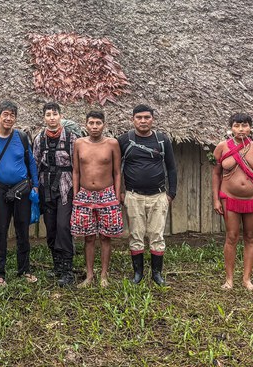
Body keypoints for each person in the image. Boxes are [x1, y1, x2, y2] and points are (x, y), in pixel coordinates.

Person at [118, 104, 178, 286]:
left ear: (152, 119)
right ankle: (138, 274)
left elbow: (171, 167)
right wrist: (120, 192)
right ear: (133, 119)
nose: (143, 121)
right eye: (139, 118)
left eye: (147, 117)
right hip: (134, 196)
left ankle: (157, 274)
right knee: (136, 234)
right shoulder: (124, 140)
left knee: (156, 234)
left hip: (158, 196)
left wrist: (171, 193)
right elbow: (115, 168)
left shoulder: (162, 140)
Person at [0, 100, 39, 286]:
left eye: (12, 115)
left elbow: (30, 162)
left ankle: (24, 270)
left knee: (23, 230)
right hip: (0, 189)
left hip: (21, 188)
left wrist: (35, 185)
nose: (8, 118)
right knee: (1, 230)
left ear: (15, 119)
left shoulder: (21, 137)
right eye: (5, 114)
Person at [212, 113, 253, 291]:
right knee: (231, 237)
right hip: (230, 198)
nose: (241, 129)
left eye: (244, 125)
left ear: (250, 128)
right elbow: (216, 174)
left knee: (250, 237)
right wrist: (216, 199)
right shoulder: (222, 147)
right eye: (237, 126)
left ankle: (247, 280)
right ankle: (229, 280)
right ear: (231, 128)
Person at [70, 110, 123, 288]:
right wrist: (77, 194)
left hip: (106, 194)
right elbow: (76, 171)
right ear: (86, 125)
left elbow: (117, 172)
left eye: (98, 123)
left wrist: (116, 195)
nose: (94, 127)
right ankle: (89, 275)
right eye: (91, 123)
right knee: (89, 237)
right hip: (84, 194)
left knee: (106, 237)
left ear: (104, 125)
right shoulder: (79, 143)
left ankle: (104, 275)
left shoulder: (112, 143)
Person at [33, 102, 78, 287]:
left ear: (60, 116)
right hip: (46, 187)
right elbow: (35, 163)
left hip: (66, 187)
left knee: (63, 227)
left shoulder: (72, 138)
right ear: (44, 117)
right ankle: (57, 266)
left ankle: (68, 270)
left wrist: (78, 188)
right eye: (48, 114)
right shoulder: (39, 139)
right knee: (50, 227)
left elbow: (78, 164)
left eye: (55, 114)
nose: (52, 117)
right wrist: (35, 187)